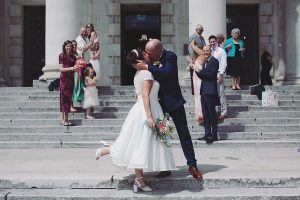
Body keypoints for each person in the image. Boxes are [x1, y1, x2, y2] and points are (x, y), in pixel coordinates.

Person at [95, 49, 176, 192]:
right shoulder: (146, 73)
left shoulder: (140, 73)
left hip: (150, 108)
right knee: (141, 143)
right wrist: (149, 116)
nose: (147, 55)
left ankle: (143, 176)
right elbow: (145, 96)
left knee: (152, 140)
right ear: (140, 59)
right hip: (148, 110)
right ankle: (138, 179)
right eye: (144, 54)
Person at [135, 39, 203, 180]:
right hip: (160, 106)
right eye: (146, 52)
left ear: (158, 51)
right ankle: (164, 167)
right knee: (162, 135)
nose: (147, 54)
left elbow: (167, 73)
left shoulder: (170, 56)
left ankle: (192, 164)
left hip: (174, 103)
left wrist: (147, 67)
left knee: (183, 133)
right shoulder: (149, 61)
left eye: (149, 52)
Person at [193, 45, 219, 144]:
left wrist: (199, 72)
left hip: (210, 91)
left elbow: (212, 75)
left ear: (210, 51)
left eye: (207, 50)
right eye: (204, 51)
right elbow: (203, 75)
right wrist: (197, 70)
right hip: (203, 91)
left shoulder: (214, 61)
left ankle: (214, 135)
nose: (205, 52)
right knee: (206, 114)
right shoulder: (205, 62)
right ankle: (207, 134)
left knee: (212, 114)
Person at [59, 40, 77, 126]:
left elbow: (75, 69)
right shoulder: (61, 56)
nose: (69, 47)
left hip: (71, 80)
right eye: (67, 46)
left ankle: (66, 119)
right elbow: (61, 69)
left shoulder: (74, 57)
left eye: (70, 46)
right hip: (64, 80)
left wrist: (77, 67)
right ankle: (62, 119)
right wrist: (71, 68)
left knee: (69, 100)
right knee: (63, 99)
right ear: (64, 47)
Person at [209, 35, 228, 120]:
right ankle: (212, 112)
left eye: (213, 41)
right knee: (212, 94)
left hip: (218, 74)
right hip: (210, 75)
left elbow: (224, 63)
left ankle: (224, 112)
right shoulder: (209, 51)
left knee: (220, 93)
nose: (212, 43)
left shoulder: (221, 51)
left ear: (216, 41)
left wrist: (220, 74)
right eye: (211, 42)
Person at [188, 44, 205, 125]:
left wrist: (192, 44)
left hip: (199, 78)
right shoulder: (198, 57)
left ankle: (201, 114)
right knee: (197, 96)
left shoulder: (202, 55)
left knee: (199, 96)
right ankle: (199, 114)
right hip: (195, 78)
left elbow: (193, 46)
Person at [188, 24, 206, 95]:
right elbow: (190, 49)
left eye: (202, 30)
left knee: (200, 75)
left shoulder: (202, 38)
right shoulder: (193, 37)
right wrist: (193, 60)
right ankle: (194, 91)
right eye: (200, 30)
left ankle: (200, 90)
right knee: (194, 75)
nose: (201, 31)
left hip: (201, 59)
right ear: (196, 30)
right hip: (195, 60)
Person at [71, 40, 84, 112]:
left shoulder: (76, 53)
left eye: (75, 45)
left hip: (78, 73)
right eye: (73, 45)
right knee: (73, 89)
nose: (74, 46)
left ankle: (82, 104)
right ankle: (71, 106)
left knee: (78, 88)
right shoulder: (70, 54)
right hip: (72, 74)